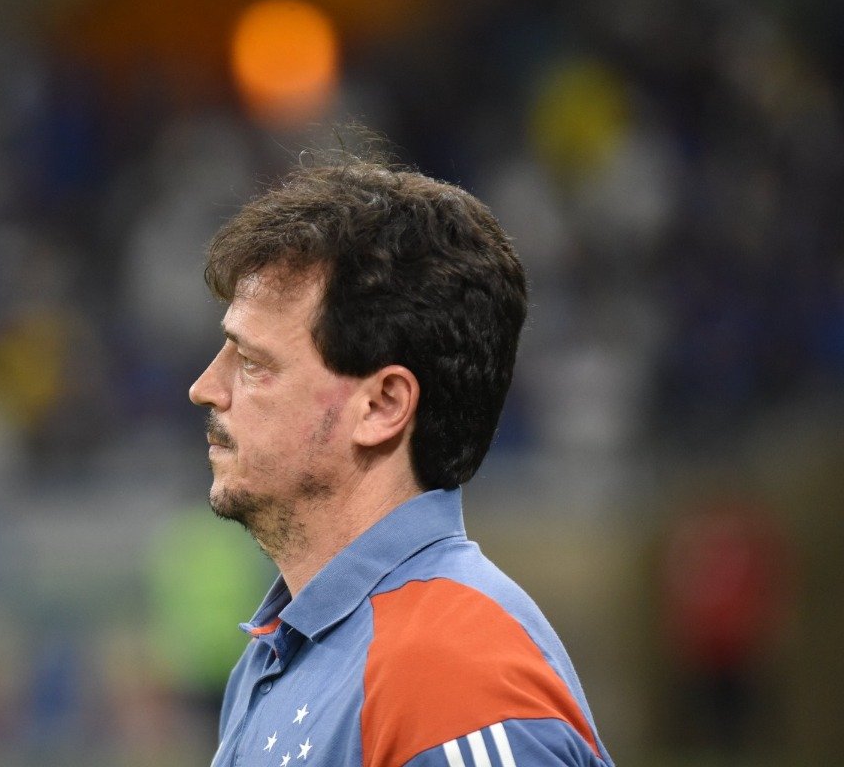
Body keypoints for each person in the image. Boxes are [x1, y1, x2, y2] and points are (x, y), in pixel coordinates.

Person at [188, 147, 614, 767]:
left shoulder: (454, 680)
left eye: (252, 364)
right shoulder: (282, 652)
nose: (205, 387)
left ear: (383, 405)